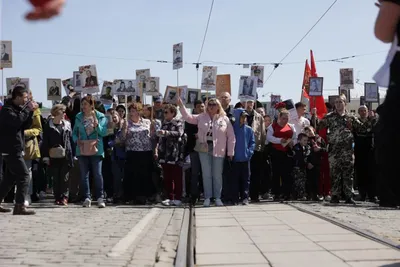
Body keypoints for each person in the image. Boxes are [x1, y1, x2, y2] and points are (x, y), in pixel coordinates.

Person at [178, 97, 235, 207]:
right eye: (209, 104)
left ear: (218, 106)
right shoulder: (201, 117)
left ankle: (217, 197)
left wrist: (230, 152)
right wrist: (181, 105)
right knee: (206, 174)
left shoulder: (225, 119)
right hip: (204, 148)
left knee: (217, 174)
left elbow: (231, 136)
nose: (211, 106)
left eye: (214, 104)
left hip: (219, 149)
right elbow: (188, 118)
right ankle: (208, 197)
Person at [0, 86, 37, 215]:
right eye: (25, 98)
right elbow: (16, 122)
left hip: (16, 147)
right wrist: (28, 109)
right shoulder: (6, 110)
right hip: (10, 148)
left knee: (9, 179)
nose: (26, 100)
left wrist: (31, 112)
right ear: (18, 97)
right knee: (24, 175)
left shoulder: (19, 110)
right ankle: (19, 206)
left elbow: (25, 124)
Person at [72, 96, 107, 208]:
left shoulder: (101, 116)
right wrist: (76, 140)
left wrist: (97, 126)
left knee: (97, 174)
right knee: (84, 175)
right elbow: (74, 132)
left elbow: (104, 132)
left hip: (96, 148)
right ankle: (87, 197)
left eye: (85, 104)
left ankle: (100, 197)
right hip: (82, 148)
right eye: (82, 104)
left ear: (92, 105)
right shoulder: (78, 117)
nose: (83, 107)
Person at [121, 103, 155, 204]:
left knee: (145, 175)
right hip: (132, 152)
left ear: (139, 112)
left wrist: (153, 129)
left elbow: (152, 137)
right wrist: (124, 129)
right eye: (130, 111)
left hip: (145, 152)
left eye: (133, 111)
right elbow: (123, 139)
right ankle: (132, 197)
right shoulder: (127, 123)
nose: (131, 113)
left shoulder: (147, 122)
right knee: (132, 175)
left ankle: (145, 196)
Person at [42, 104, 73, 206]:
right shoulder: (48, 125)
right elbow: (45, 141)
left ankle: (64, 197)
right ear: (56, 113)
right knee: (56, 177)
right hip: (53, 155)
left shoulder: (67, 125)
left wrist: (73, 154)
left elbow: (70, 140)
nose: (64, 114)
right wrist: (45, 156)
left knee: (65, 177)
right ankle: (57, 197)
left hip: (66, 154)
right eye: (62, 112)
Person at [156, 104, 185, 206]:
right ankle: (169, 196)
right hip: (165, 154)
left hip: (175, 154)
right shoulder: (163, 123)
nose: (165, 114)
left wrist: (166, 133)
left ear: (173, 113)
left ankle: (178, 197)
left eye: (166, 112)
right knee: (167, 177)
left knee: (176, 176)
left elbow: (179, 133)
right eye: (164, 112)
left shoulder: (178, 123)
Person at [226, 109, 255, 205]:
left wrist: (249, 152)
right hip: (235, 159)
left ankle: (245, 197)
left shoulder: (249, 129)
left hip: (245, 159)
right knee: (234, 180)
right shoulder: (232, 129)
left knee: (246, 179)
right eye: (242, 117)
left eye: (245, 117)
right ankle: (234, 198)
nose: (244, 119)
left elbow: (252, 142)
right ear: (237, 117)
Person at [267, 109, 296, 201]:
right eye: (283, 118)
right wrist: (280, 140)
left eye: (287, 119)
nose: (285, 121)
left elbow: (295, 137)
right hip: (276, 152)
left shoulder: (291, 127)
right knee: (276, 173)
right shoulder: (273, 126)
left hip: (287, 152)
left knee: (287, 174)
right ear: (279, 117)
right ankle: (276, 193)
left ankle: (286, 193)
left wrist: (292, 143)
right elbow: (269, 138)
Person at [185, 100, 205, 204]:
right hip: (194, 150)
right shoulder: (190, 119)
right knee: (195, 173)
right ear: (194, 108)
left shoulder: (208, 118)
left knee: (205, 173)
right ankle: (194, 194)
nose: (201, 108)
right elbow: (187, 133)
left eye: (202, 106)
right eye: (198, 106)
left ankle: (205, 193)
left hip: (206, 150)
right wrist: (196, 135)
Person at [289, 133, 311, 200]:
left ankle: (302, 194)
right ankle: (299, 195)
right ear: (299, 140)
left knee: (303, 181)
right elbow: (298, 157)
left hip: (304, 167)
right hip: (297, 167)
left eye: (306, 140)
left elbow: (308, 156)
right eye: (304, 140)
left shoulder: (307, 147)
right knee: (298, 181)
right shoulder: (296, 148)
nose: (306, 142)